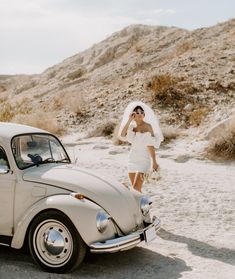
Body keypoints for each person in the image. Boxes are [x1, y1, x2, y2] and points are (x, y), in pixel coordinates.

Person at [118, 101, 163, 192]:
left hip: (144, 161)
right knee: (136, 191)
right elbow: (123, 135)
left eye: (142, 112)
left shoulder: (148, 127)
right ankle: (140, 206)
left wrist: (154, 161)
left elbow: (150, 144)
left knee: (136, 188)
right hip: (132, 160)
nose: (140, 114)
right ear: (133, 115)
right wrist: (129, 120)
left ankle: (142, 205)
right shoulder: (131, 127)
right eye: (137, 112)